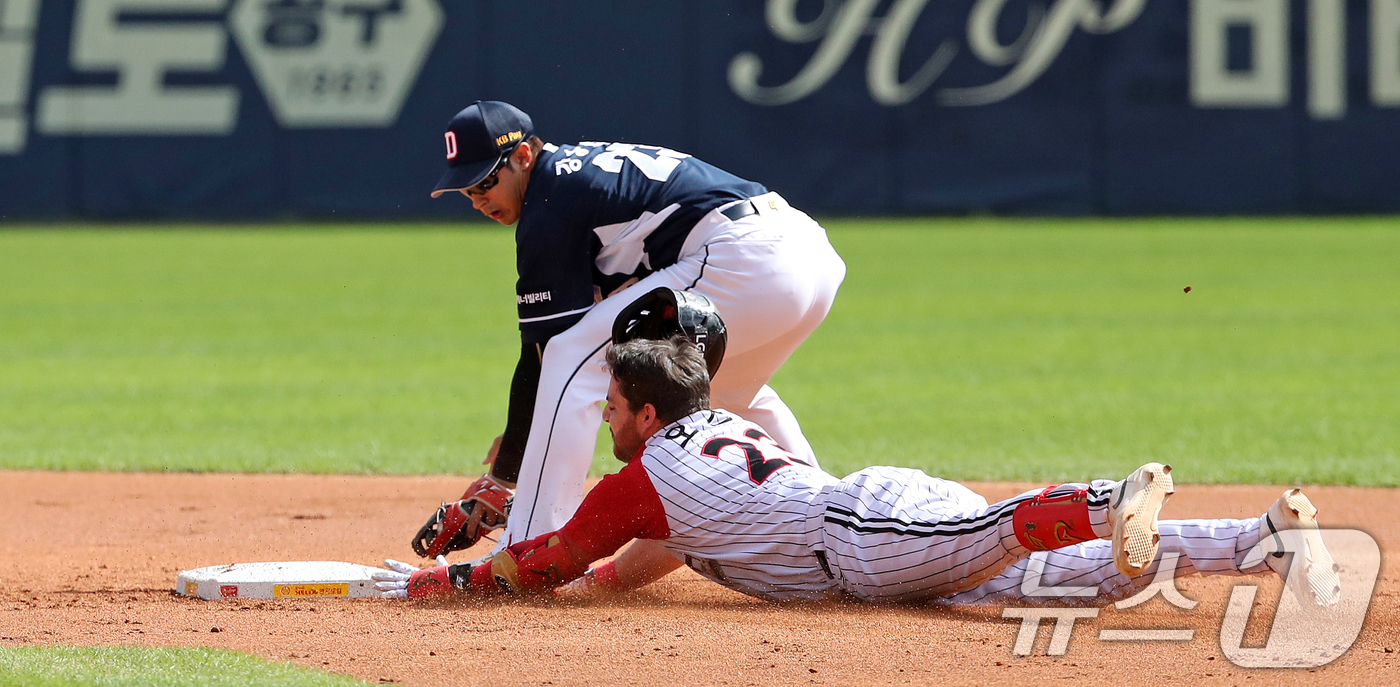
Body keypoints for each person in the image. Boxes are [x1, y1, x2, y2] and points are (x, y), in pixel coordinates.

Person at [372, 336, 1342, 607]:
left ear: (644, 411)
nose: (607, 421)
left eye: (614, 408)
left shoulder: (642, 480)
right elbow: (641, 556)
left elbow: (546, 557)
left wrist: (449, 579)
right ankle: (1257, 542)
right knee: (1062, 582)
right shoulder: (713, 441)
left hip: (860, 537)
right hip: (866, 521)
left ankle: (1102, 497)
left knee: (1000, 533)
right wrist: (594, 582)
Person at [410, 100, 847, 564]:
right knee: (728, 395)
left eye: (484, 181)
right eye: (465, 189)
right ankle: (829, 530)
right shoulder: (572, 181)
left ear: (521, 157)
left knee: (571, 356)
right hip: (804, 252)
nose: (477, 198)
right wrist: (524, 441)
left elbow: (547, 358)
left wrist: (505, 475)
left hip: (745, 256)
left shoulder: (548, 202)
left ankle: (527, 549)